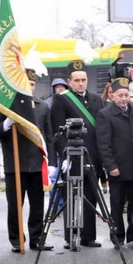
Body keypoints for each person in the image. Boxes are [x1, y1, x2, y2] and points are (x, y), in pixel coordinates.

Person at [0, 68, 51, 252]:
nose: (29, 87)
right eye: (26, 84)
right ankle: (17, 240)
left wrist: (52, 161)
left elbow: (47, 135)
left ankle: (37, 238)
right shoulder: (5, 107)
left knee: (38, 205)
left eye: (32, 84)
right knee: (15, 205)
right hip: (14, 165)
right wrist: (6, 124)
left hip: (37, 164)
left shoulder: (42, 106)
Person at [48, 61, 103, 249]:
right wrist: (64, 156)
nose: (81, 83)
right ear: (69, 81)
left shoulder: (96, 99)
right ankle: (71, 236)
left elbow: (100, 131)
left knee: (91, 195)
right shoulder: (61, 99)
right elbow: (58, 129)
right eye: (77, 80)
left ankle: (88, 236)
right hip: (72, 154)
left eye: (84, 80)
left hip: (92, 155)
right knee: (71, 196)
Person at [96, 77, 133, 248]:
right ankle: (117, 236)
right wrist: (111, 166)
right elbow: (104, 144)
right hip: (118, 168)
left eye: (126, 94)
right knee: (116, 205)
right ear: (112, 96)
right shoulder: (105, 115)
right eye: (120, 95)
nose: (123, 98)